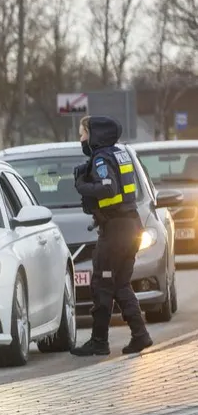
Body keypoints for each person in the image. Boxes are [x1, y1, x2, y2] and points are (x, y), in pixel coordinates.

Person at [71, 115, 152, 356]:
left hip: (116, 232)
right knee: (120, 283)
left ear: (94, 135)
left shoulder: (102, 157)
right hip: (131, 227)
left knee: (102, 283)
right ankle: (140, 335)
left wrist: (81, 185)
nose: (81, 139)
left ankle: (99, 341)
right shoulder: (119, 153)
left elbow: (109, 188)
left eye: (83, 134)